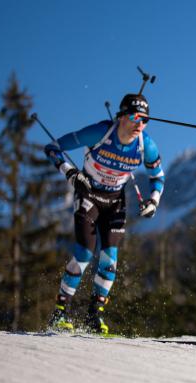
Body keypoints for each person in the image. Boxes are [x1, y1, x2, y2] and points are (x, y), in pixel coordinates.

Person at [44, 94, 165, 334]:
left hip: (115, 201)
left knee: (110, 260)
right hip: (89, 195)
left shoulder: (145, 145)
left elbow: (158, 177)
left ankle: (94, 316)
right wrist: (69, 172)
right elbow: (53, 148)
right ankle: (59, 313)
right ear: (121, 116)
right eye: (134, 117)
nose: (139, 125)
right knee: (84, 253)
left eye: (145, 120)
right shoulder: (100, 133)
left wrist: (153, 201)